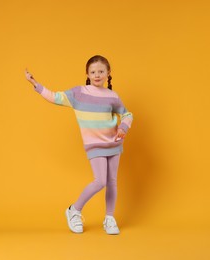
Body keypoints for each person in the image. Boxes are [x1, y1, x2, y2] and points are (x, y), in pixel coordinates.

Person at [24, 55, 133, 235]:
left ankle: (109, 218)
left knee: (112, 182)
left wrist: (123, 127)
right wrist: (35, 83)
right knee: (100, 181)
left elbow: (127, 114)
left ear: (108, 74)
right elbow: (54, 97)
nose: (97, 75)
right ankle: (74, 210)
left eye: (101, 71)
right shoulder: (78, 93)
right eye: (93, 72)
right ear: (87, 74)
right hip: (95, 145)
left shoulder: (113, 96)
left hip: (114, 143)